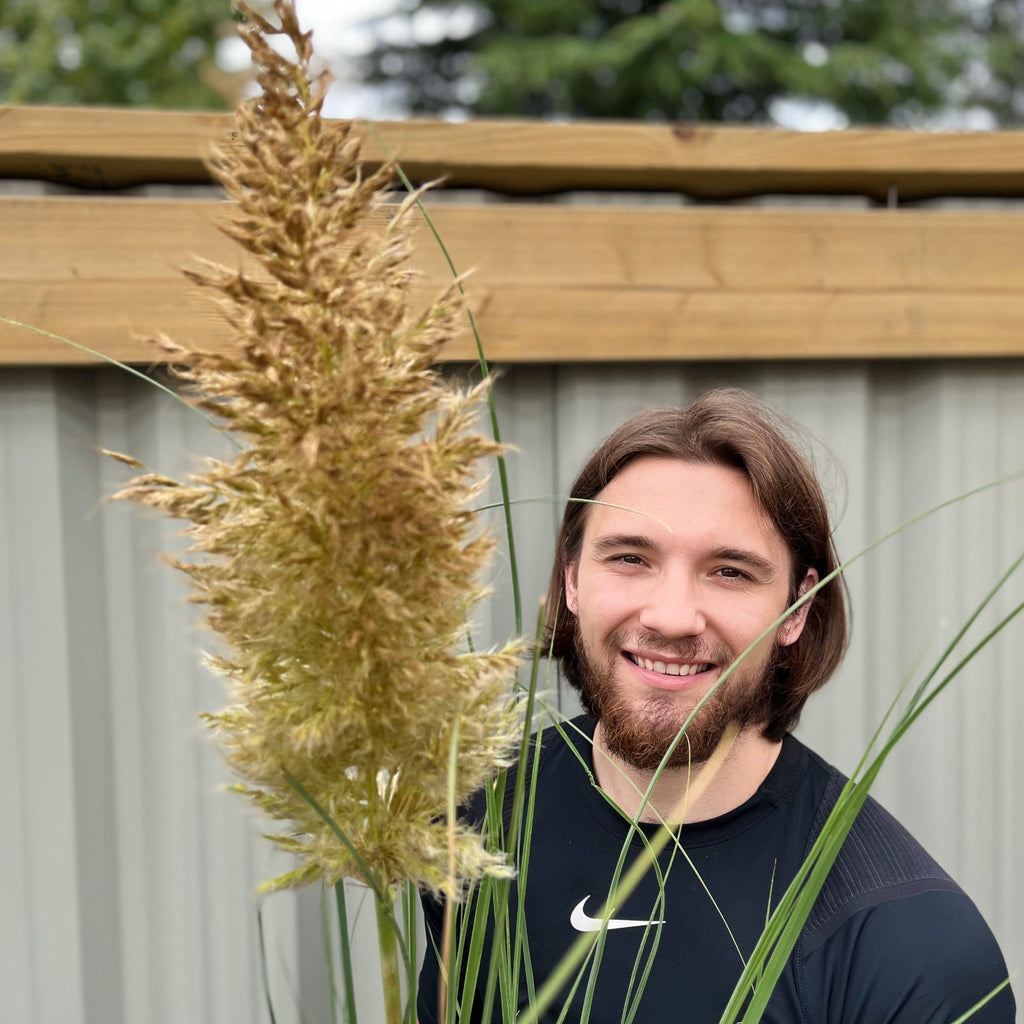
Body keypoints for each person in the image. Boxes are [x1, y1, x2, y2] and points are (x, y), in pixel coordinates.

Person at [417, 388, 1014, 1024]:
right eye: (630, 558)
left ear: (797, 609)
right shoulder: (476, 819)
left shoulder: (908, 943)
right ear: (570, 579)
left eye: (729, 571)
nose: (672, 617)